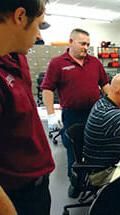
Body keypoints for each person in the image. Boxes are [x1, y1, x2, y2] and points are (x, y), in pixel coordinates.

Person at [0, 1, 55, 215]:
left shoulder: (17, 56)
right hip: (14, 195)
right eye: (39, 26)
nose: (40, 37)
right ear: (20, 16)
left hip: (37, 184)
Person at [41, 28, 110, 195]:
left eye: (88, 44)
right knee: (74, 150)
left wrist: (114, 106)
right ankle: (76, 183)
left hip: (95, 113)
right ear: (71, 42)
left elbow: (105, 85)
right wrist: (51, 115)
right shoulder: (58, 63)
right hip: (72, 115)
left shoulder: (95, 62)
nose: (86, 47)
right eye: (82, 43)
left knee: (95, 147)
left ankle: (95, 181)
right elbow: (47, 89)